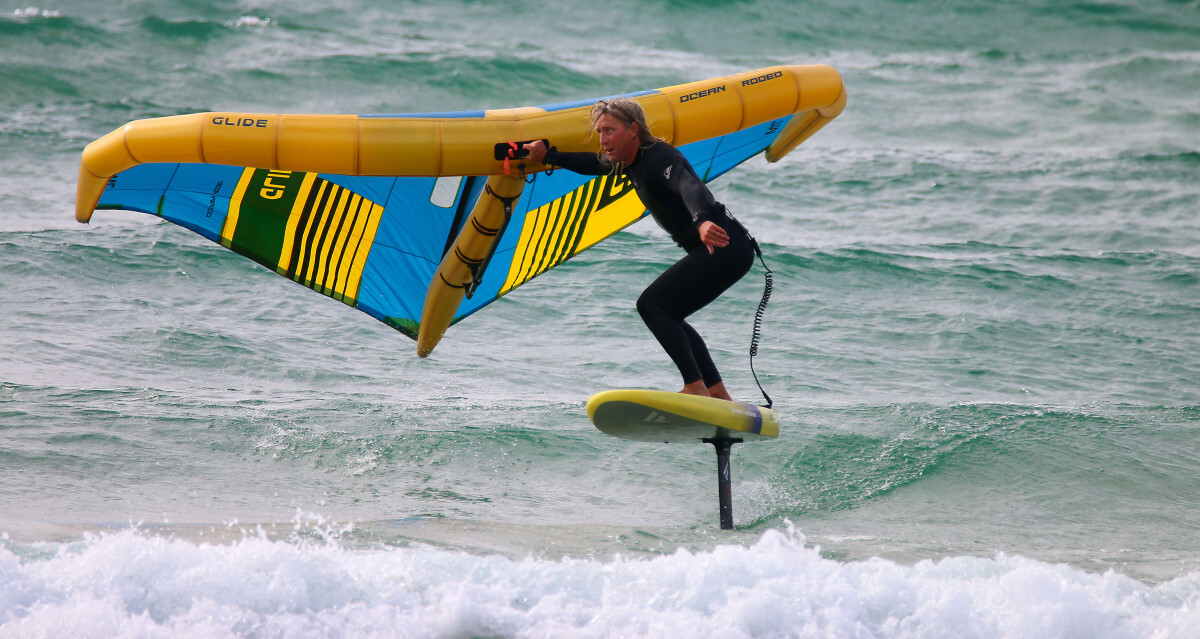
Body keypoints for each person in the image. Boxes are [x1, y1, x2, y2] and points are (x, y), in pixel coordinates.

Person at [522, 98, 756, 400]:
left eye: (610, 130)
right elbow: (595, 164)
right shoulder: (631, 161)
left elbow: (689, 185)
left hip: (722, 244)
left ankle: (695, 387)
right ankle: (718, 394)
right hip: (724, 250)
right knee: (670, 314)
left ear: (634, 129)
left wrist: (701, 221)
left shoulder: (659, 156)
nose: (603, 140)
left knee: (652, 305)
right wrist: (548, 156)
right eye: (600, 132)